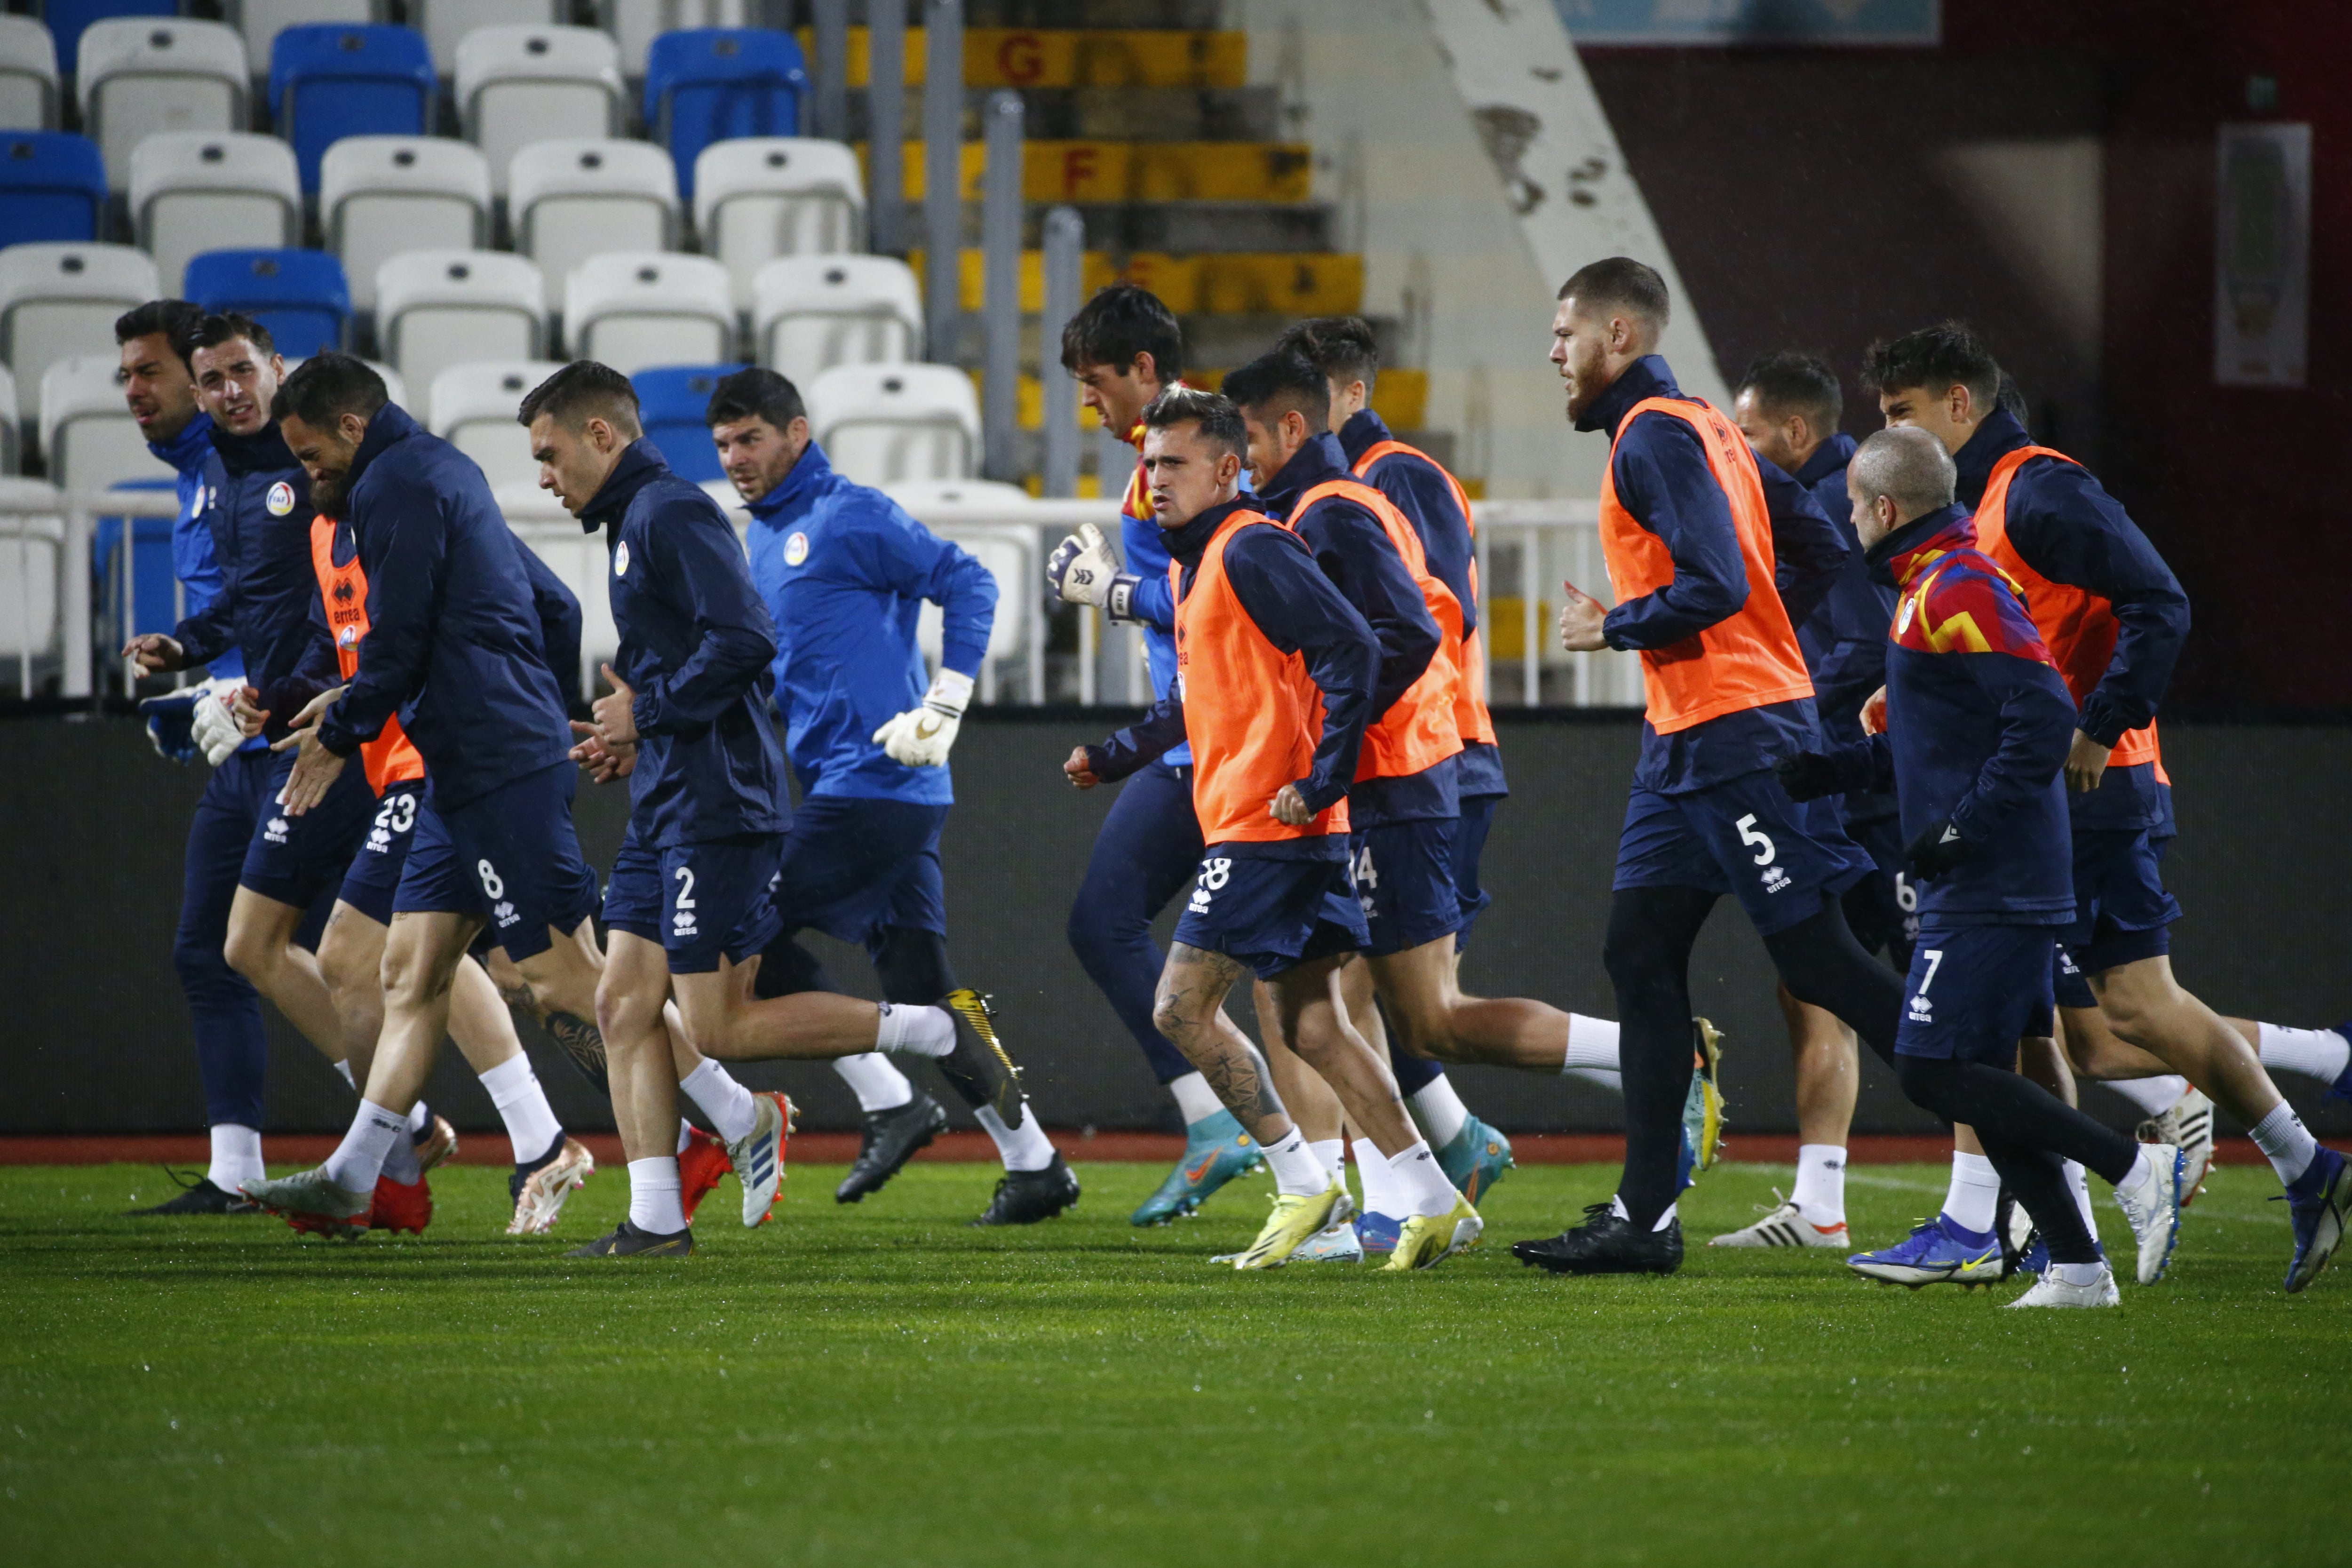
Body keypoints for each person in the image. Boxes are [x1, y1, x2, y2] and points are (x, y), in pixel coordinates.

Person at [1860, 321, 2348, 1292]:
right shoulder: (1971, 514)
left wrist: (2098, 723)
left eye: (1901, 413)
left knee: (1987, 1024)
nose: (1895, 434)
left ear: (1961, 403)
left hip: (2086, 785)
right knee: (2107, 1013)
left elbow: (2159, 600)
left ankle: (2017, 1224)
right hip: (2063, 785)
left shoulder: (2038, 487)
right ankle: (2302, 1164)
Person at [531, 362, 1029, 1258]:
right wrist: (640, 731)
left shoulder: (685, 514)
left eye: (550, 452)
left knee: (719, 1014)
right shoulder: (690, 527)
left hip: (804, 791)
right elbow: (733, 658)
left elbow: (749, 642)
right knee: (622, 1001)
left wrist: (948, 696)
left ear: (600, 435)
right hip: (682, 791)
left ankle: (918, 1044)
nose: (542, 475)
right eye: (723, 443)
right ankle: (658, 1218)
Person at [1509, 258, 1892, 1278]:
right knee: (1638, 951)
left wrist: (1616, 624)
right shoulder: (1711, 428)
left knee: (1826, 969)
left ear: (1620, 334)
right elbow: (1811, 559)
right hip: (1689, 733)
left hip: (1730, 735)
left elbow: (1720, 580)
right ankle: (1643, 1217)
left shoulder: (1657, 437)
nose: (1553, 352)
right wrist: (1764, 647)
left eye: (1564, 333)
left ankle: (2042, 1166)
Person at [1067, 388, 1481, 1271]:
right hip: (1265, 822)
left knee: (1180, 1006)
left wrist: (1321, 775)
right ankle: (1437, 1197)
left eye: (1173, 463)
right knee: (1315, 1027)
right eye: (1148, 465)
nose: (1154, 479)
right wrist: (1111, 757)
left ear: (1227, 470)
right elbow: (1196, 699)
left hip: (1273, 827)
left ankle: (1302, 1182)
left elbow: (1357, 648)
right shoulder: (1199, 563)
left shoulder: (1253, 546)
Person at [1775, 427, 2187, 1306]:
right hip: (1990, 874)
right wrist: (1835, 769)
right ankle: (2079, 1267)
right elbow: (1933, 743)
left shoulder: (1955, 585)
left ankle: (2133, 1166)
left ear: (1884, 509)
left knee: (1931, 1068)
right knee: (1986, 1075)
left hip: (1995, 880)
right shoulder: (1936, 583)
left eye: (1852, 504)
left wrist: (1962, 832)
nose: (1847, 519)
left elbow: (2041, 718)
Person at [236, 356, 617, 1238]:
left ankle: (714, 1118)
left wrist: (346, 731)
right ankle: (362, 1169)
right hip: (453, 759)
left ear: (352, 430)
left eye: (311, 456)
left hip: (476, 757)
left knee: (563, 982)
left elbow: (403, 642)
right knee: (407, 972)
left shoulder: (398, 487)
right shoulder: (380, 495)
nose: (305, 475)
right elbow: (533, 611)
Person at [714, 366, 1077, 1225]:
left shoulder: (851, 514)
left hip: (877, 782)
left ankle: (888, 1097)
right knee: (922, 984)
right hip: (854, 785)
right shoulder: (763, 539)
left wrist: (945, 697)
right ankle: (1036, 1163)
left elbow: (972, 581)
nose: (735, 458)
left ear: (796, 434)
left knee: (734, 934)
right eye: (725, 443)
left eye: (751, 439)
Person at [1271, 316, 1520, 1219]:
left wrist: (1340, 728)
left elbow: (1427, 621)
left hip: (1427, 757)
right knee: (1366, 997)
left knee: (1384, 1002)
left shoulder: (1389, 479)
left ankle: (1647, 1059)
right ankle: (1427, 1164)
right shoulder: (1331, 491)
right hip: (1396, 757)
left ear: (1351, 394)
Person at [1044, 284, 1266, 1226]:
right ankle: (1442, 1133)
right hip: (1200, 729)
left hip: (1224, 732)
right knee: (1319, 969)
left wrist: (1110, 590)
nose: (1088, 405)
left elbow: (1236, 590)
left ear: (1143, 371)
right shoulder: (1177, 448)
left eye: (1096, 384)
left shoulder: (1182, 456)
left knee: (1322, 977)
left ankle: (1238, 1128)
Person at [1709, 350, 1894, 1250]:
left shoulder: (1837, 505)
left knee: (1961, 994)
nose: (1737, 449)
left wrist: (1783, 710)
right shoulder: (1831, 495)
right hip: (1843, 777)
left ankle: (2129, 1128)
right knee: (1812, 984)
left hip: (1870, 784)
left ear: (1793, 432)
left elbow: (1862, 645)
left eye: (1746, 433)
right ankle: (1821, 1202)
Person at [113, 301, 275, 1214]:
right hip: (241, 731)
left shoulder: (243, 463)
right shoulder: (201, 472)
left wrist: (248, 686)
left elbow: (286, 598)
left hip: (292, 732)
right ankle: (240, 1170)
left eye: (152, 372)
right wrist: (193, 666)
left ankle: (530, 1132)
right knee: (211, 952)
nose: (137, 392)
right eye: (127, 377)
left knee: (410, 955)